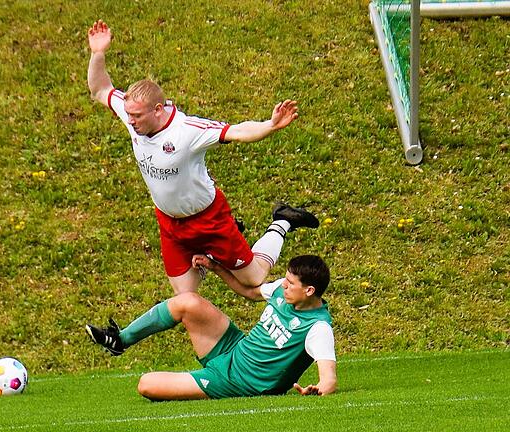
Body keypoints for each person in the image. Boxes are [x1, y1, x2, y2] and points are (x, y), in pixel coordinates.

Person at [86, 20, 318, 295]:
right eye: (129, 114)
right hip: (170, 223)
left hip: (208, 220)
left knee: (253, 279)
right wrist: (98, 53)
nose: (131, 120)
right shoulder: (131, 112)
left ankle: (282, 220)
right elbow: (100, 90)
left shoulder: (187, 131)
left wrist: (269, 125)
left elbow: (238, 131)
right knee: (186, 298)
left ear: (158, 110)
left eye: (137, 116)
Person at [85, 254, 336, 400]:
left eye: (291, 283)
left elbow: (329, 379)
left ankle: (205, 379)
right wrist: (216, 268)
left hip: (238, 382)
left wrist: (318, 390)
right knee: (187, 302)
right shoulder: (283, 291)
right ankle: (120, 340)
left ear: (309, 291)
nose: (283, 285)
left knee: (146, 384)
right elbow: (249, 292)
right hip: (235, 350)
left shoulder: (318, 328)